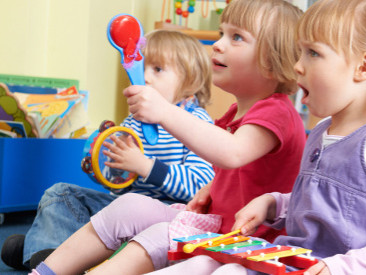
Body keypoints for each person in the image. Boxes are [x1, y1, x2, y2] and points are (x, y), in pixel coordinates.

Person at [150, 0, 366, 274]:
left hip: (342, 269)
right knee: (214, 267)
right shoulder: (322, 132)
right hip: (298, 261)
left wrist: (344, 268)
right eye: (300, 53)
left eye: (313, 53)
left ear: (364, 68)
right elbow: (317, 199)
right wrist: (275, 203)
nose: (297, 65)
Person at [30, 1, 306, 274]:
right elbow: (239, 168)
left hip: (249, 246)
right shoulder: (235, 112)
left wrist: (163, 112)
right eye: (221, 33)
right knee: (129, 206)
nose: (219, 44)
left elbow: (232, 153)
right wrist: (212, 188)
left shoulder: (278, 111)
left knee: (160, 233)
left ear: (272, 62)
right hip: (213, 225)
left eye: (236, 37)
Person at [0, 29, 216, 271]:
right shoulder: (134, 121)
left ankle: (39, 250)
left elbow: (199, 188)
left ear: (191, 80)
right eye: (141, 67)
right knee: (60, 193)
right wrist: (110, 171)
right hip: (122, 213)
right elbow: (120, 185)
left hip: (165, 219)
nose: (144, 76)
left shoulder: (198, 123)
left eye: (157, 69)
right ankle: (47, 251)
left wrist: (146, 167)